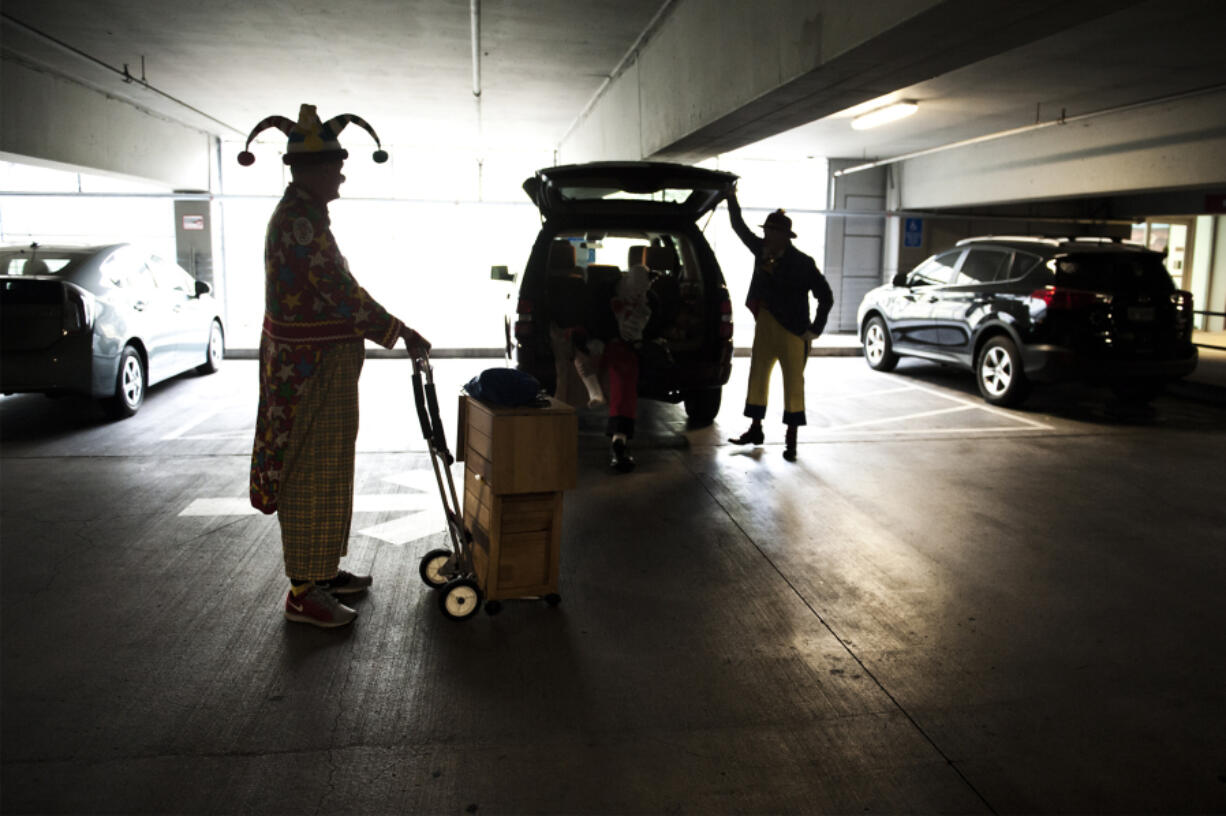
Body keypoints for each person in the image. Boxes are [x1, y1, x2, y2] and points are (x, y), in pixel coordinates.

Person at [239, 104, 430, 628]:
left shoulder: (305, 214)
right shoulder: (299, 223)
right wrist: (400, 332)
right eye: (337, 166)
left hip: (318, 367)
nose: (342, 174)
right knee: (309, 475)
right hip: (308, 372)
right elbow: (341, 294)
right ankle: (304, 590)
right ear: (313, 171)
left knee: (327, 471)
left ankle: (320, 572)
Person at [726, 190, 834, 461]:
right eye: (766, 232)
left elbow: (826, 296)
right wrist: (731, 198)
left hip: (793, 332)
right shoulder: (761, 251)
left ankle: (791, 440)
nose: (766, 237)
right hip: (765, 325)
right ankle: (755, 429)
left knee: (793, 385)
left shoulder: (803, 263)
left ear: (785, 236)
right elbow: (738, 228)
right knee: (757, 378)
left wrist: (815, 329)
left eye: (772, 233)